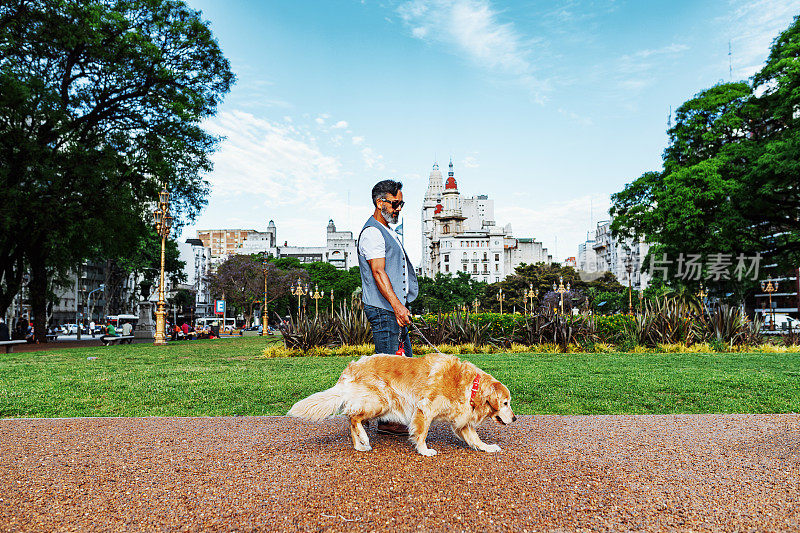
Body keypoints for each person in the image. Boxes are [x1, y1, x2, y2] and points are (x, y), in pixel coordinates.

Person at [357, 179, 419, 436]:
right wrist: (397, 306)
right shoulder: (372, 232)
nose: (398, 208)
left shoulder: (387, 230)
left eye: (401, 203)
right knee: (390, 370)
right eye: (395, 203)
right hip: (384, 311)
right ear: (380, 202)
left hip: (393, 309)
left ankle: (388, 416)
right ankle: (385, 420)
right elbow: (378, 272)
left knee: (402, 365)